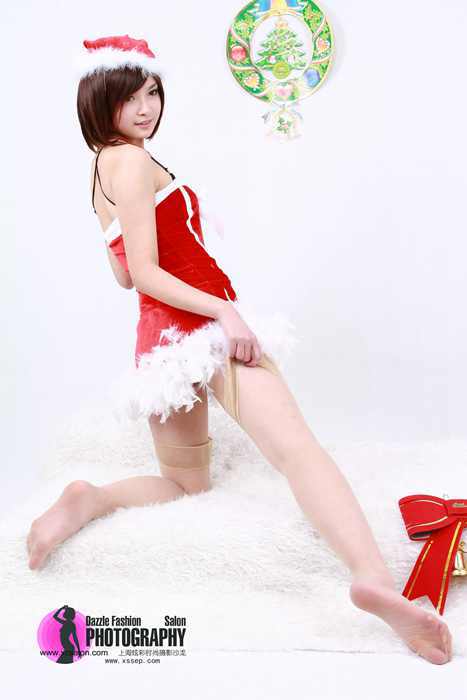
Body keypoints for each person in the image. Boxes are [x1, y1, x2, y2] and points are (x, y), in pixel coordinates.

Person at [26, 34, 452, 664]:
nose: (146, 108)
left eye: (152, 93)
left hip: (159, 345)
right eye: (129, 97)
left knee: (183, 483)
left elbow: (121, 274)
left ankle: (93, 497)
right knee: (298, 452)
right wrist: (224, 310)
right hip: (204, 332)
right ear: (99, 101)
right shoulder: (134, 162)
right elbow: (145, 272)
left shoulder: (100, 169)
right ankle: (373, 580)